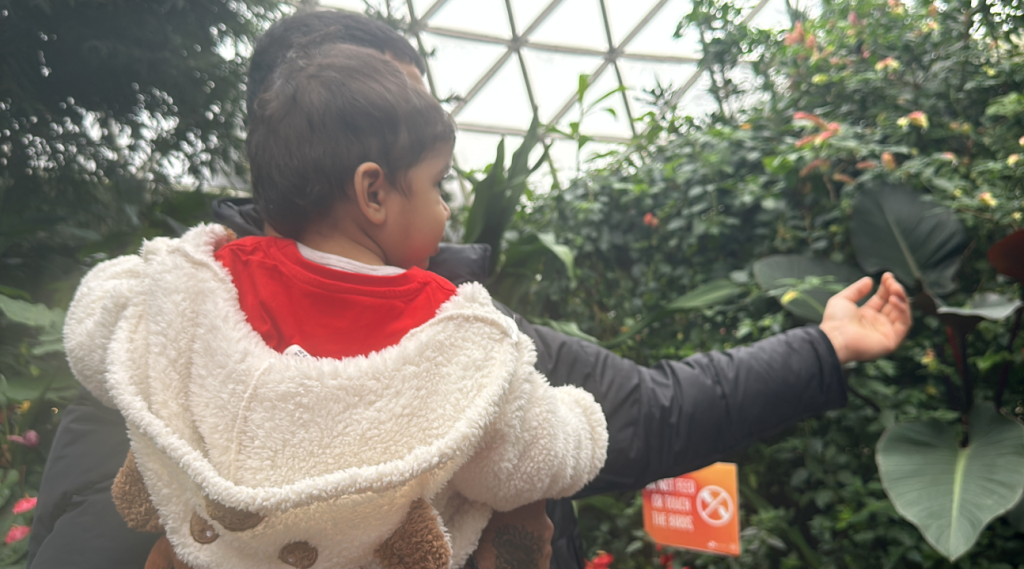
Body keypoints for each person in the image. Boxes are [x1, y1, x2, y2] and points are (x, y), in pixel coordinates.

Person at [27, 10, 911, 569]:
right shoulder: (459, 343)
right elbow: (561, 438)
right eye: (433, 167)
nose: (448, 198)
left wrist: (824, 345)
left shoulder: (166, 320)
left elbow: (648, 408)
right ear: (371, 185)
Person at [59, 43, 610, 569]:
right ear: (373, 193)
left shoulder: (208, 278)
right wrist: (581, 426)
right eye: (437, 184)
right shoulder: (451, 323)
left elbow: (94, 330)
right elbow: (523, 459)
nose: (445, 211)